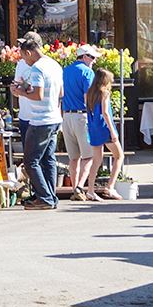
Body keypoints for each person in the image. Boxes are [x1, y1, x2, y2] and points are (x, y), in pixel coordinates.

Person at [12, 32, 64, 210]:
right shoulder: (55, 64)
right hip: (55, 117)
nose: (24, 61)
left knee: (31, 161)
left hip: (40, 120)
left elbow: (38, 94)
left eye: (23, 56)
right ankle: (51, 195)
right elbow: (61, 93)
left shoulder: (37, 68)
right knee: (48, 159)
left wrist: (20, 92)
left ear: (28, 52)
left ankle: (45, 198)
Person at [60, 45, 99, 198]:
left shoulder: (65, 71)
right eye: (93, 58)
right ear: (85, 57)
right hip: (82, 116)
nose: (94, 61)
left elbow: (60, 94)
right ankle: (80, 187)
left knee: (73, 158)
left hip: (66, 116)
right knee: (89, 156)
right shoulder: (87, 72)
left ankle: (74, 188)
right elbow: (87, 97)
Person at [83, 67, 124, 201]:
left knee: (97, 160)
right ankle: (110, 186)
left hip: (94, 128)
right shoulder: (104, 93)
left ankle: (90, 190)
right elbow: (105, 113)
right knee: (119, 156)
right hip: (104, 127)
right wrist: (112, 131)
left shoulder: (90, 93)